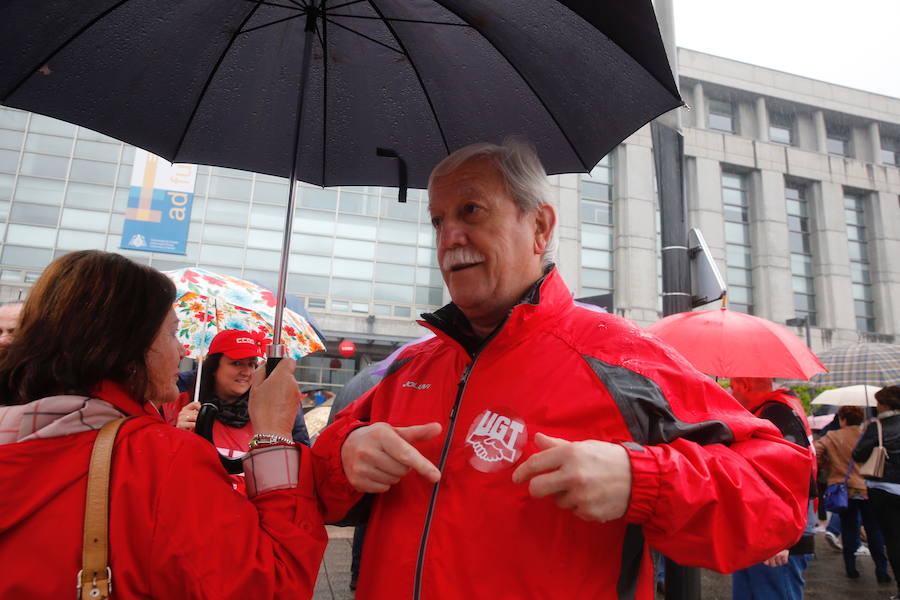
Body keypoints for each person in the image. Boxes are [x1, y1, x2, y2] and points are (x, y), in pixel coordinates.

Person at [312, 140, 812, 599]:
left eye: (471, 210)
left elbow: (777, 496)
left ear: (540, 227)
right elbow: (321, 489)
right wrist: (345, 457)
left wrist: (645, 481)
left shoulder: (622, 358)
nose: (450, 237)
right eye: (438, 220)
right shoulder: (408, 368)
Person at [0, 250, 326, 598]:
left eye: (251, 364)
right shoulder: (159, 458)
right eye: (172, 333)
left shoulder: (20, 425)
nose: (183, 351)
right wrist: (274, 435)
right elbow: (272, 585)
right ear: (129, 347)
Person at [728, 377, 818, 600]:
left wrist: (780, 538)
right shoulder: (776, 409)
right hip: (762, 529)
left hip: (776, 534)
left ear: (745, 384)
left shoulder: (776, 413)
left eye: (732, 385)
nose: (730, 391)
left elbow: (793, 477)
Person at [817, 405, 890, 582]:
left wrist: (828, 465)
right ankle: (881, 570)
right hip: (867, 488)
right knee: (873, 530)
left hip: (843, 489)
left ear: (842, 419)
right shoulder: (869, 434)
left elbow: (816, 452)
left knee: (849, 529)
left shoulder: (832, 436)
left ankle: (851, 568)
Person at [854, 385, 900, 600]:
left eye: (878, 402)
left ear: (885, 404)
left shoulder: (877, 427)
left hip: (884, 489)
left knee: (892, 539)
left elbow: (858, 454)